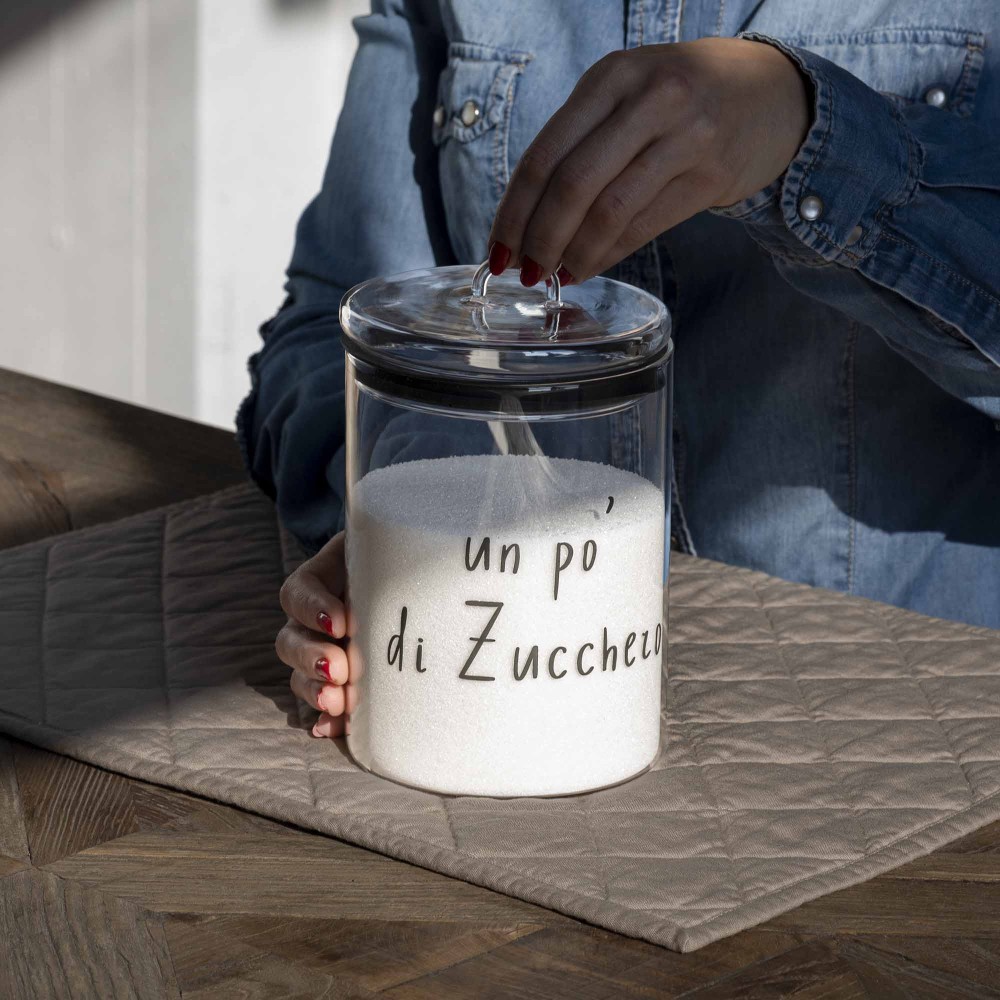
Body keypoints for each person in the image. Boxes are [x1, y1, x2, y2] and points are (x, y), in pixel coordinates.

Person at [238, 1, 1000, 739]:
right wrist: (419, 510)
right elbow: (329, 323)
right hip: (518, 700)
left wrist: (816, 139)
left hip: (909, 716)